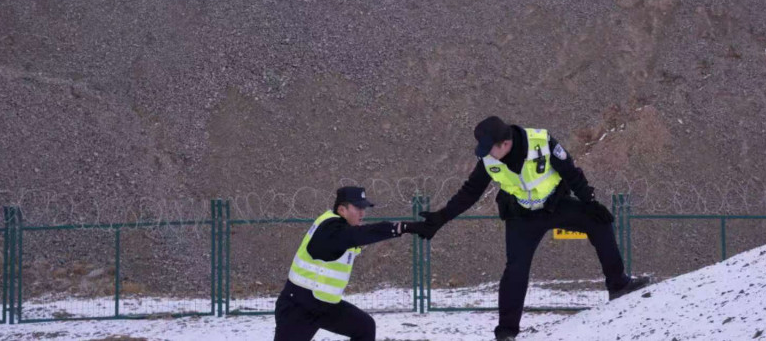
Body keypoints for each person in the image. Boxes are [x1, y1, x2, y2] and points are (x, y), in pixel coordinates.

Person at [418, 116, 650, 340]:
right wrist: (441, 217)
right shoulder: (490, 160)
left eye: (490, 148)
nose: (487, 153)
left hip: (555, 205)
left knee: (599, 222)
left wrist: (589, 203)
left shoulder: (541, 141)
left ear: (505, 144)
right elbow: (469, 192)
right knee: (515, 269)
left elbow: (569, 170)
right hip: (522, 217)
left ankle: (618, 285)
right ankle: (507, 332)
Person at [274, 186, 432, 341]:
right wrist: (402, 227)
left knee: (365, 327)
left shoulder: (342, 228)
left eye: (364, 208)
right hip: (299, 307)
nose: (363, 213)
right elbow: (360, 235)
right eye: (358, 208)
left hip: (325, 305)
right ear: (342, 210)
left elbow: (356, 237)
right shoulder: (330, 230)